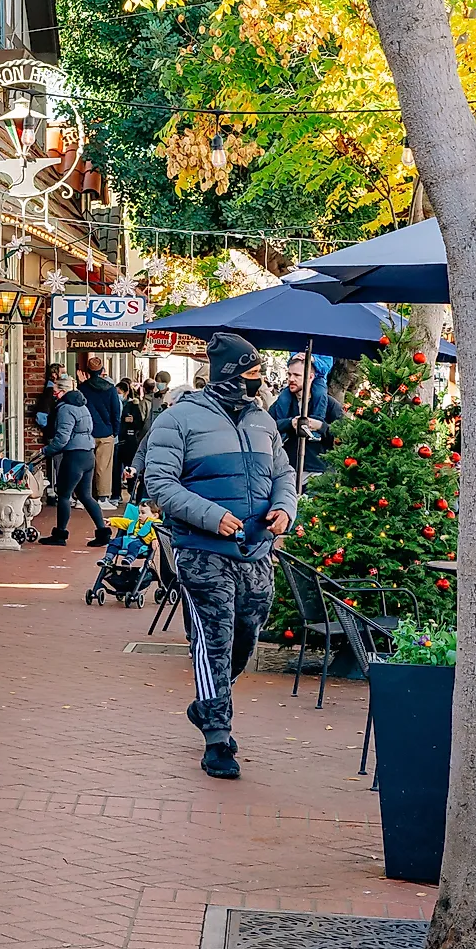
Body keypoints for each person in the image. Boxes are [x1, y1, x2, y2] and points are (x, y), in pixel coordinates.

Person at [141, 331, 298, 780]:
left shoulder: (263, 420)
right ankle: (217, 736)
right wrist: (212, 517)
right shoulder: (179, 419)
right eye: (251, 374)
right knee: (214, 641)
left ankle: (208, 701)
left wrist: (285, 508)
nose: (259, 382)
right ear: (229, 373)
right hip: (202, 551)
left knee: (248, 633)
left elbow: (283, 471)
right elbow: (162, 485)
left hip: (256, 550)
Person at [38, 374, 106, 546]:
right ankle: (103, 532)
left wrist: (46, 450)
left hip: (74, 455)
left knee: (64, 495)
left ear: (62, 391)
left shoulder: (65, 409)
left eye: (55, 391)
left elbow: (62, 438)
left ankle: (60, 535)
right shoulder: (82, 405)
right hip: (88, 453)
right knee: (85, 496)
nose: (53, 394)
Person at [269, 354, 344, 476]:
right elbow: (268, 427)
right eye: (289, 374)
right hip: (287, 469)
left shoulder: (330, 405)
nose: (291, 379)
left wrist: (321, 426)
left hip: (319, 471)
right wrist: (289, 423)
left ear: (310, 377)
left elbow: (344, 434)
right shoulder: (281, 402)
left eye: (297, 375)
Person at [78, 356, 124, 511]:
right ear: (103, 371)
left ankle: (84, 496)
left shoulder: (82, 388)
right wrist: (115, 431)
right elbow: (115, 412)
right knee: (104, 466)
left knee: (85, 465)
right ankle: (103, 497)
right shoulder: (110, 389)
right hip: (106, 431)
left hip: (86, 432)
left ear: (88, 371)